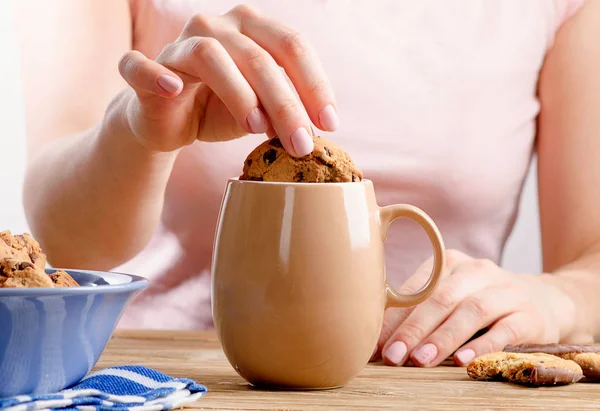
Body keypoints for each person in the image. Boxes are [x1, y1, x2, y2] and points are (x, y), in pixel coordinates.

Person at [15, 0, 600, 368]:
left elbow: (590, 257)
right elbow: (65, 245)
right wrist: (136, 131)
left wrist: (559, 297)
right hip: (171, 377)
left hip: (433, 377)